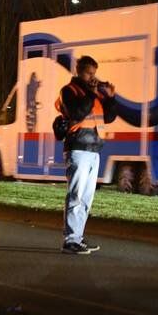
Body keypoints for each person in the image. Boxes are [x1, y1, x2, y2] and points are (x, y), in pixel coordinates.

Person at [56, 55, 117, 254]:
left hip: (93, 150)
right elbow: (77, 113)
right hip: (78, 148)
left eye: (94, 73)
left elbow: (108, 117)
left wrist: (110, 98)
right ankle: (70, 241)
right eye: (89, 73)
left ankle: (77, 236)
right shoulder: (69, 91)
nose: (93, 77)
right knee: (76, 195)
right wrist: (91, 93)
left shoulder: (94, 94)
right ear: (79, 71)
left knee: (86, 198)